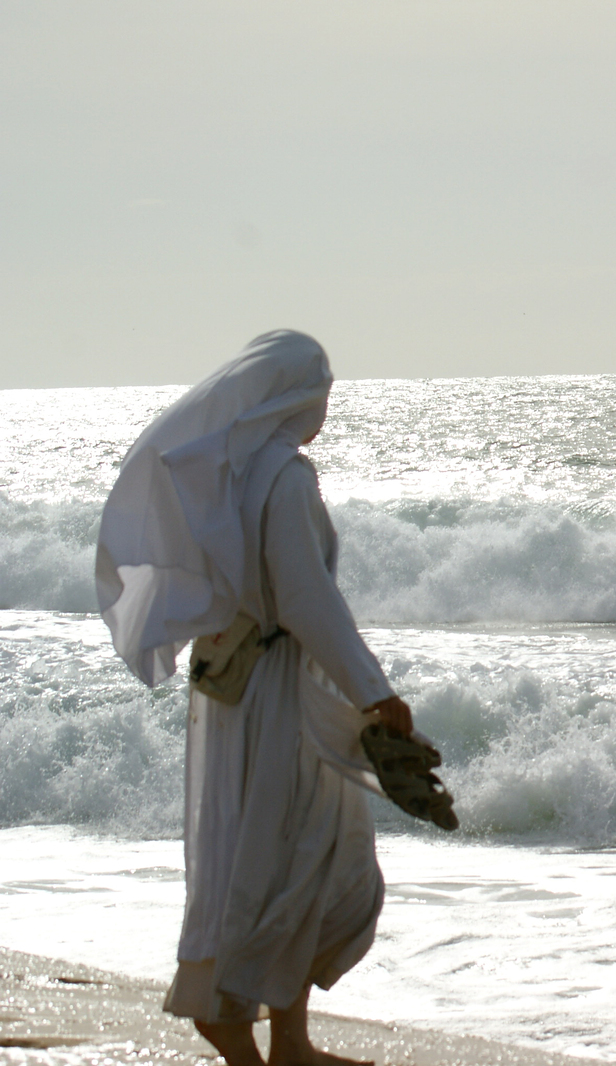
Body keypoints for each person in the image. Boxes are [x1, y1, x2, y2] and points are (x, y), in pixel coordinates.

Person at [97, 330, 411, 1066]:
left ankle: (278, 1039)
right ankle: (265, 1040)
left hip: (229, 687)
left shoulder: (225, 474)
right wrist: (375, 693)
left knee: (248, 853)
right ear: (300, 398)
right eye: (323, 394)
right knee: (306, 852)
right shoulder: (286, 478)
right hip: (278, 690)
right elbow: (307, 600)